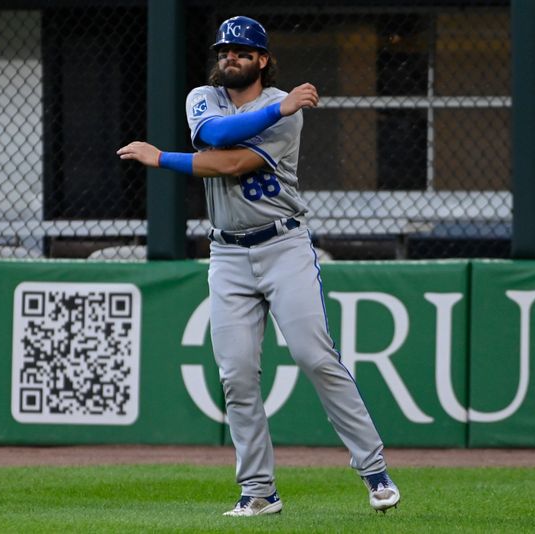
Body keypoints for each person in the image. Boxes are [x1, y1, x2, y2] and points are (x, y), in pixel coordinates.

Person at [117, 15, 399, 517]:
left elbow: (231, 163)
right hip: (226, 253)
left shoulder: (285, 107)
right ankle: (259, 493)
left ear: (263, 60)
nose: (230, 57)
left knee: (315, 356)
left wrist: (161, 158)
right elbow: (213, 136)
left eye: (242, 52)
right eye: (224, 50)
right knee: (237, 375)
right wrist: (270, 112)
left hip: (283, 246)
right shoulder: (208, 98)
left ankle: (374, 470)